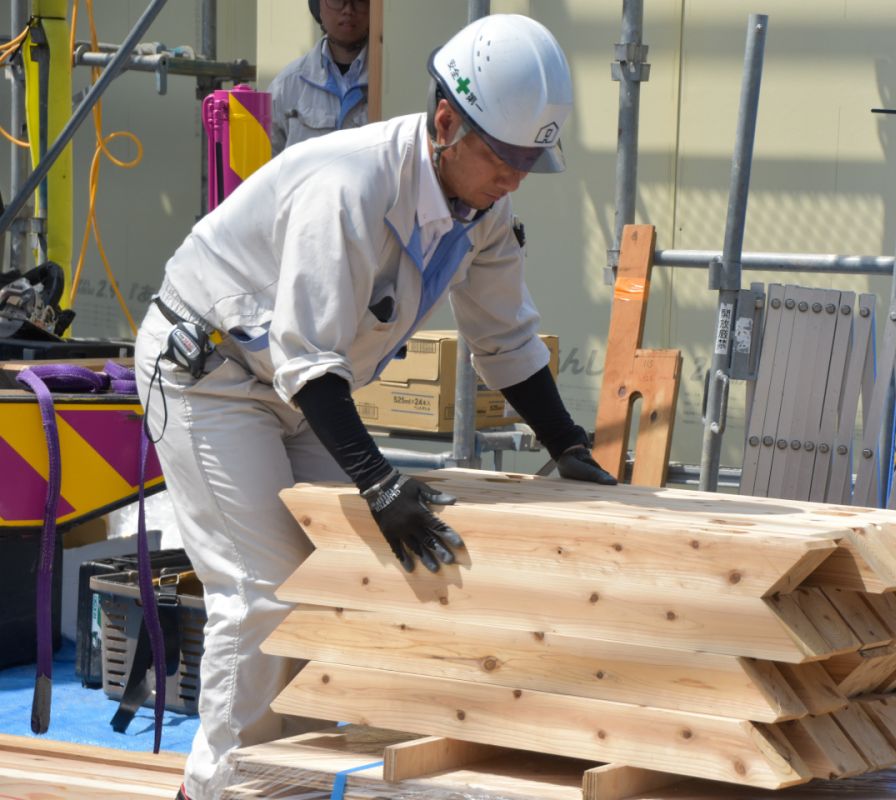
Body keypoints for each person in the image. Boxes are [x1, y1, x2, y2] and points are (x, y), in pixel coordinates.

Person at [135, 15, 615, 799]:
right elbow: (310, 358)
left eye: (530, 161)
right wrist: (380, 483)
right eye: (503, 157)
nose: (514, 179)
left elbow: (506, 339)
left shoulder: (481, 207)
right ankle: (215, 787)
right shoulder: (350, 185)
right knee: (264, 588)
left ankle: (282, 779)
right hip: (210, 374)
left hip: (290, 383)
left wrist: (566, 444)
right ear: (447, 121)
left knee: (344, 573)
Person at [267, 0, 370, 155]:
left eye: (359, 1)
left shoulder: (390, 83)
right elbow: (265, 169)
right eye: (337, 1)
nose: (348, 10)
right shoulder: (286, 87)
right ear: (317, 6)